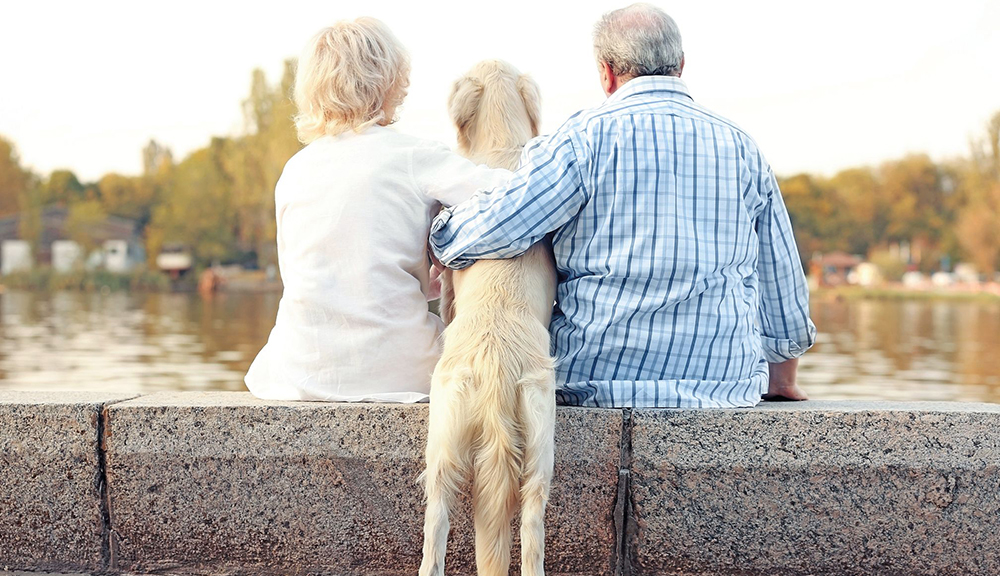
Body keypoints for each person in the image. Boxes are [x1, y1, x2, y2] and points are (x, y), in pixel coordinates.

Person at [430, 3, 816, 408]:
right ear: (681, 65)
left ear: (606, 72)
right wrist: (783, 379)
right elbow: (780, 277)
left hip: (595, 384)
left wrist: (442, 234)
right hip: (723, 387)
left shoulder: (581, 141)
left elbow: (498, 227)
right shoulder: (741, 146)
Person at [245, 18, 509, 402]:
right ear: (390, 82)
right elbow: (508, 195)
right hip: (399, 371)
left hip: (298, 369)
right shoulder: (414, 156)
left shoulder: (295, 170)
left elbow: (311, 274)